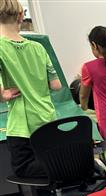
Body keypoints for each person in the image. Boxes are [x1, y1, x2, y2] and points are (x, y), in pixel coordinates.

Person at [0, 0, 62, 178]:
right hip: (48, 118)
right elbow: (56, 85)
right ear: (21, 16)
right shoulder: (39, 48)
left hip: (22, 124)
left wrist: (3, 95)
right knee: (50, 159)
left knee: (23, 169)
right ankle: (85, 163)